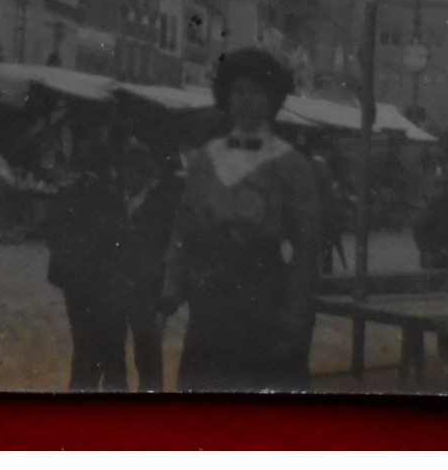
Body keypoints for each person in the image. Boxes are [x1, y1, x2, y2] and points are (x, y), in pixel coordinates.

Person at [161, 47, 322, 392]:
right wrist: (170, 293)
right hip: (210, 310)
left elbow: (308, 250)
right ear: (227, 96)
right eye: (239, 90)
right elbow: (181, 229)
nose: (248, 101)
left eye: (258, 92)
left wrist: (292, 319)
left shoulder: (294, 166)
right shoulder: (205, 159)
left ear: (273, 99)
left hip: (265, 307)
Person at [46, 141, 129, 390]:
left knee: (82, 341)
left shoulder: (68, 194)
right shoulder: (112, 198)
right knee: (112, 344)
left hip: (75, 281)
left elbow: (51, 232)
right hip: (106, 281)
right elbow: (122, 239)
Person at [118, 138, 180, 391]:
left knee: (148, 357)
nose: (129, 177)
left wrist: (165, 296)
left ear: (145, 173)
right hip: (116, 291)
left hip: (148, 293)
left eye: (136, 171)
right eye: (125, 170)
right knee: (113, 359)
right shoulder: (113, 201)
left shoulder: (163, 205)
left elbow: (171, 251)